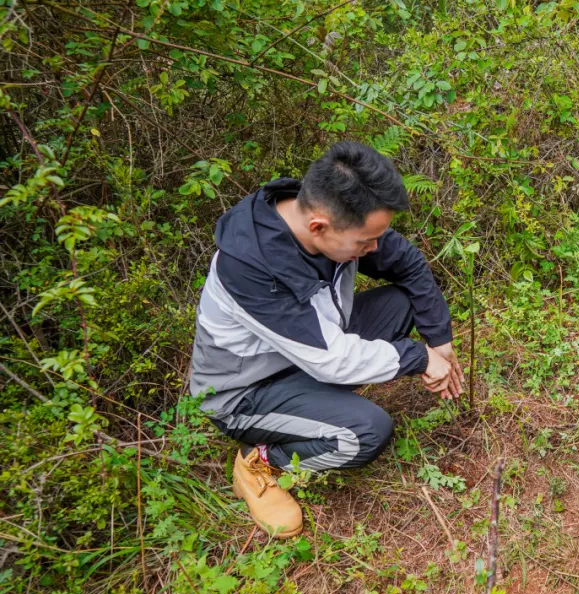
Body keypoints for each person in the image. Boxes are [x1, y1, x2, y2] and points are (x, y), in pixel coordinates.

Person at [189, 141, 464, 539]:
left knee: (402, 303)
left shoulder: (335, 220)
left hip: (304, 353)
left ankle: (318, 407)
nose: (373, 249)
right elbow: (329, 359)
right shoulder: (251, 269)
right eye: (365, 243)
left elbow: (406, 262)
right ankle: (260, 459)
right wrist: (417, 357)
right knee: (365, 433)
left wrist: (439, 340)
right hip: (247, 391)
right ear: (318, 226)